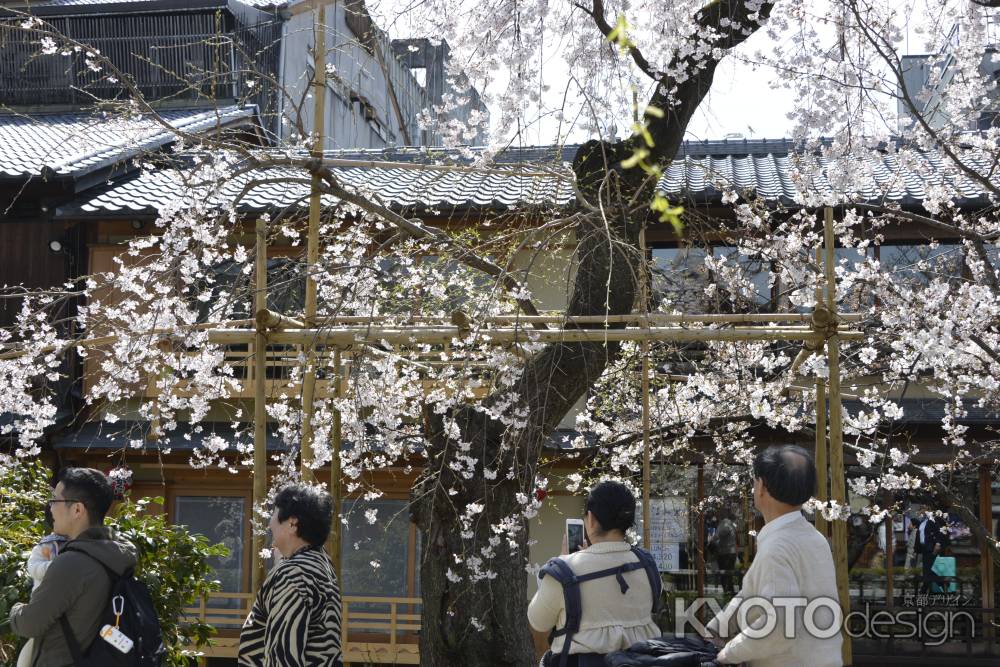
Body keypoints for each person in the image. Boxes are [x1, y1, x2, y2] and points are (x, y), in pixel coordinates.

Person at [704, 445, 843, 667]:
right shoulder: (814, 538)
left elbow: (779, 625)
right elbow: (754, 593)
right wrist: (720, 625)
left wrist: (728, 653)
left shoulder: (777, 546)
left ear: (761, 486)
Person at [9, 468, 137, 667]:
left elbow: (29, 624)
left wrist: (17, 609)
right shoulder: (115, 555)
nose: (50, 508)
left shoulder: (74, 562)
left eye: (55, 501)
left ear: (77, 510)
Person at [528, 481, 661, 667]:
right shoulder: (647, 564)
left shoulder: (563, 571)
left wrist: (561, 562)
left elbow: (537, 622)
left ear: (590, 519)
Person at [239, 483, 342, 667]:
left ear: (292, 523)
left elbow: (283, 656)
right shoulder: (322, 564)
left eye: (274, 513)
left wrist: (284, 571)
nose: (270, 522)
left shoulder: (292, 576)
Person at [916, 504, 950, 593]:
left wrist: (938, 544)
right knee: (927, 571)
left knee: (927, 570)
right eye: (920, 509)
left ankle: (923, 591)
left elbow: (939, 532)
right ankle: (942, 584)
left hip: (931, 547)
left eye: (923, 509)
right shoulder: (922, 522)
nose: (921, 511)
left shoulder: (933, 520)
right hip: (924, 548)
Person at [710, 510, 739, 595]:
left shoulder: (724, 524)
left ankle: (727, 590)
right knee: (729, 573)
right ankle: (730, 590)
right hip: (732, 552)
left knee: (724, 573)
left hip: (725, 553)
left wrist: (711, 541)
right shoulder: (732, 525)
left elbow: (717, 537)